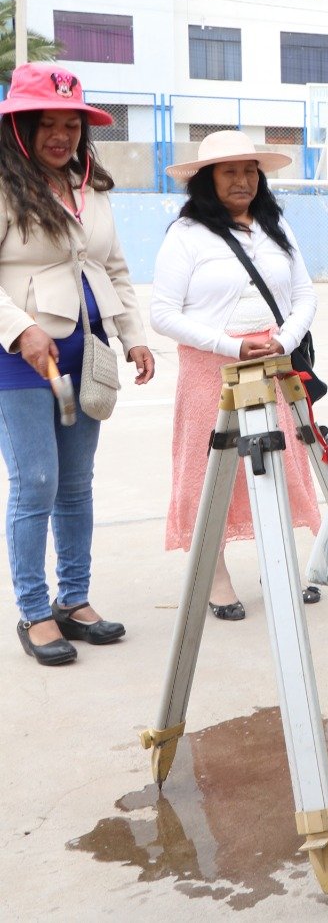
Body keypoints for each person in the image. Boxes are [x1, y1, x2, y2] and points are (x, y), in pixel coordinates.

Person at [0, 64, 155, 666]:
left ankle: (75, 599)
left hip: (85, 351)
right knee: (34, 483)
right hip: (17, 358)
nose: (61, 135)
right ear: (21, 128)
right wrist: (21, 330)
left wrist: (133, 335)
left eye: (72, 124)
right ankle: (35, 612)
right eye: (48, 123)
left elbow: (113, 267)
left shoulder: (92, 188)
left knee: (76, 486)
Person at [151, 131, 321, 621]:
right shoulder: (186, 235)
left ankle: (280, 564)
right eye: (230, 172)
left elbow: (305, 295)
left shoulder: (275, 226)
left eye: (250, 171)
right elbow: (163, 314)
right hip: (211, 370)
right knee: (210, 470)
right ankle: (215, 575)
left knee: (280, 463)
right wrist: (230, 346)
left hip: (273, 364)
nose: (243, 180)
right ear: (207, 180)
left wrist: (284, 340)